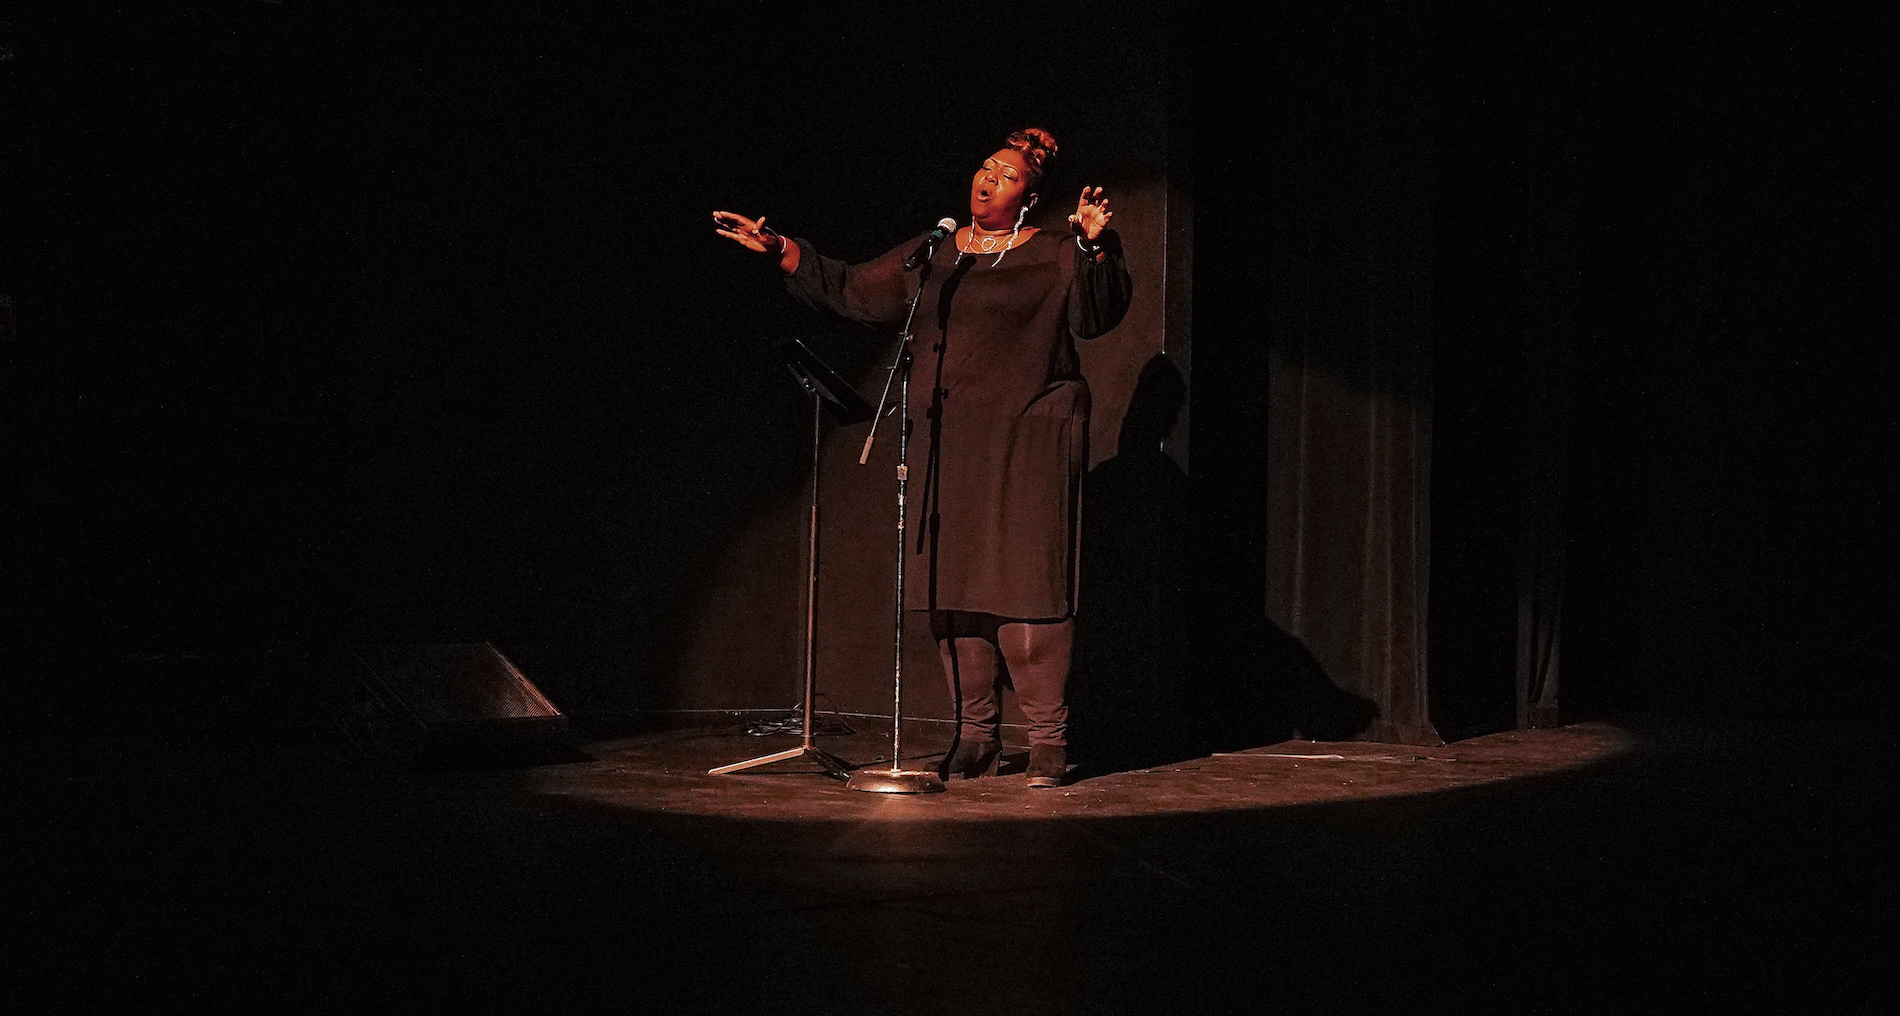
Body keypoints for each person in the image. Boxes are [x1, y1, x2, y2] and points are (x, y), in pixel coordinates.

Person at [713, 128, 1131, 787]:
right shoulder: (937, 252)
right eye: (986, 166)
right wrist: (782, 249)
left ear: (1030, 197)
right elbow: (854, 289)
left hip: (1028, 439)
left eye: (1008, 175)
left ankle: (1048, 742)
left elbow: (1095, 314)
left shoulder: (1055, 251)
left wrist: (1090, 244)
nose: (989, 178)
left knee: (1029, 586)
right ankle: (975, 736)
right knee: (951, 588)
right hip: (948, 440)